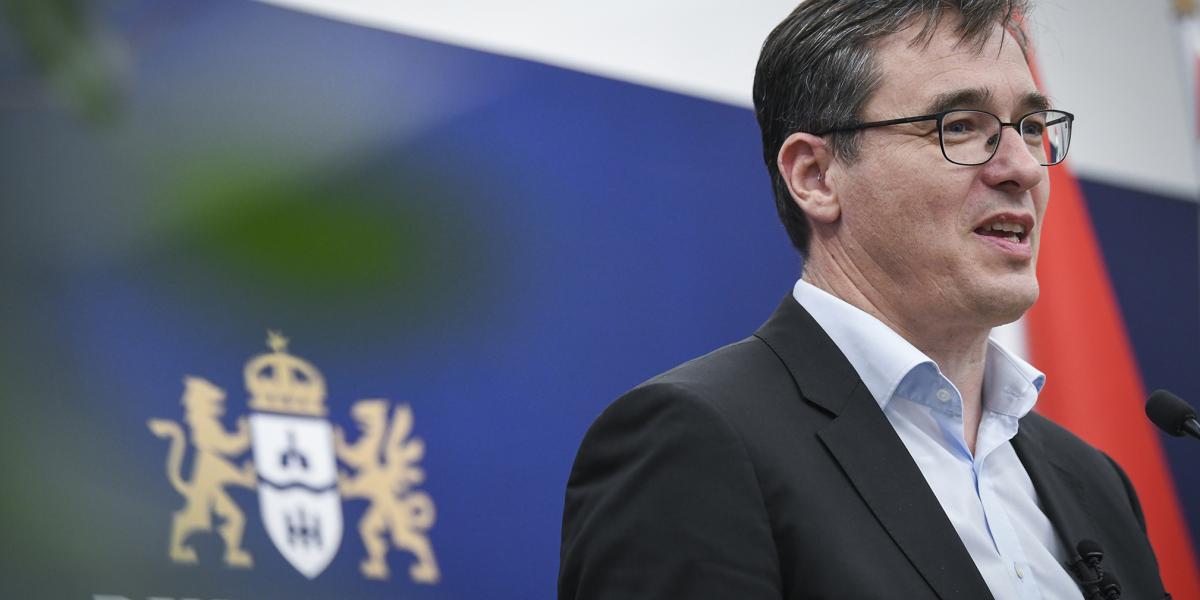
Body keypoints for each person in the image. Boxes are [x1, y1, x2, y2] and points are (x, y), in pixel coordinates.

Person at [558, 1, 1171, 599]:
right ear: (816, 177)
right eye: (960, 126)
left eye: (1031, 128)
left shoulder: (1095, 481)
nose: (1025, 169)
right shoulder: (696, 442)